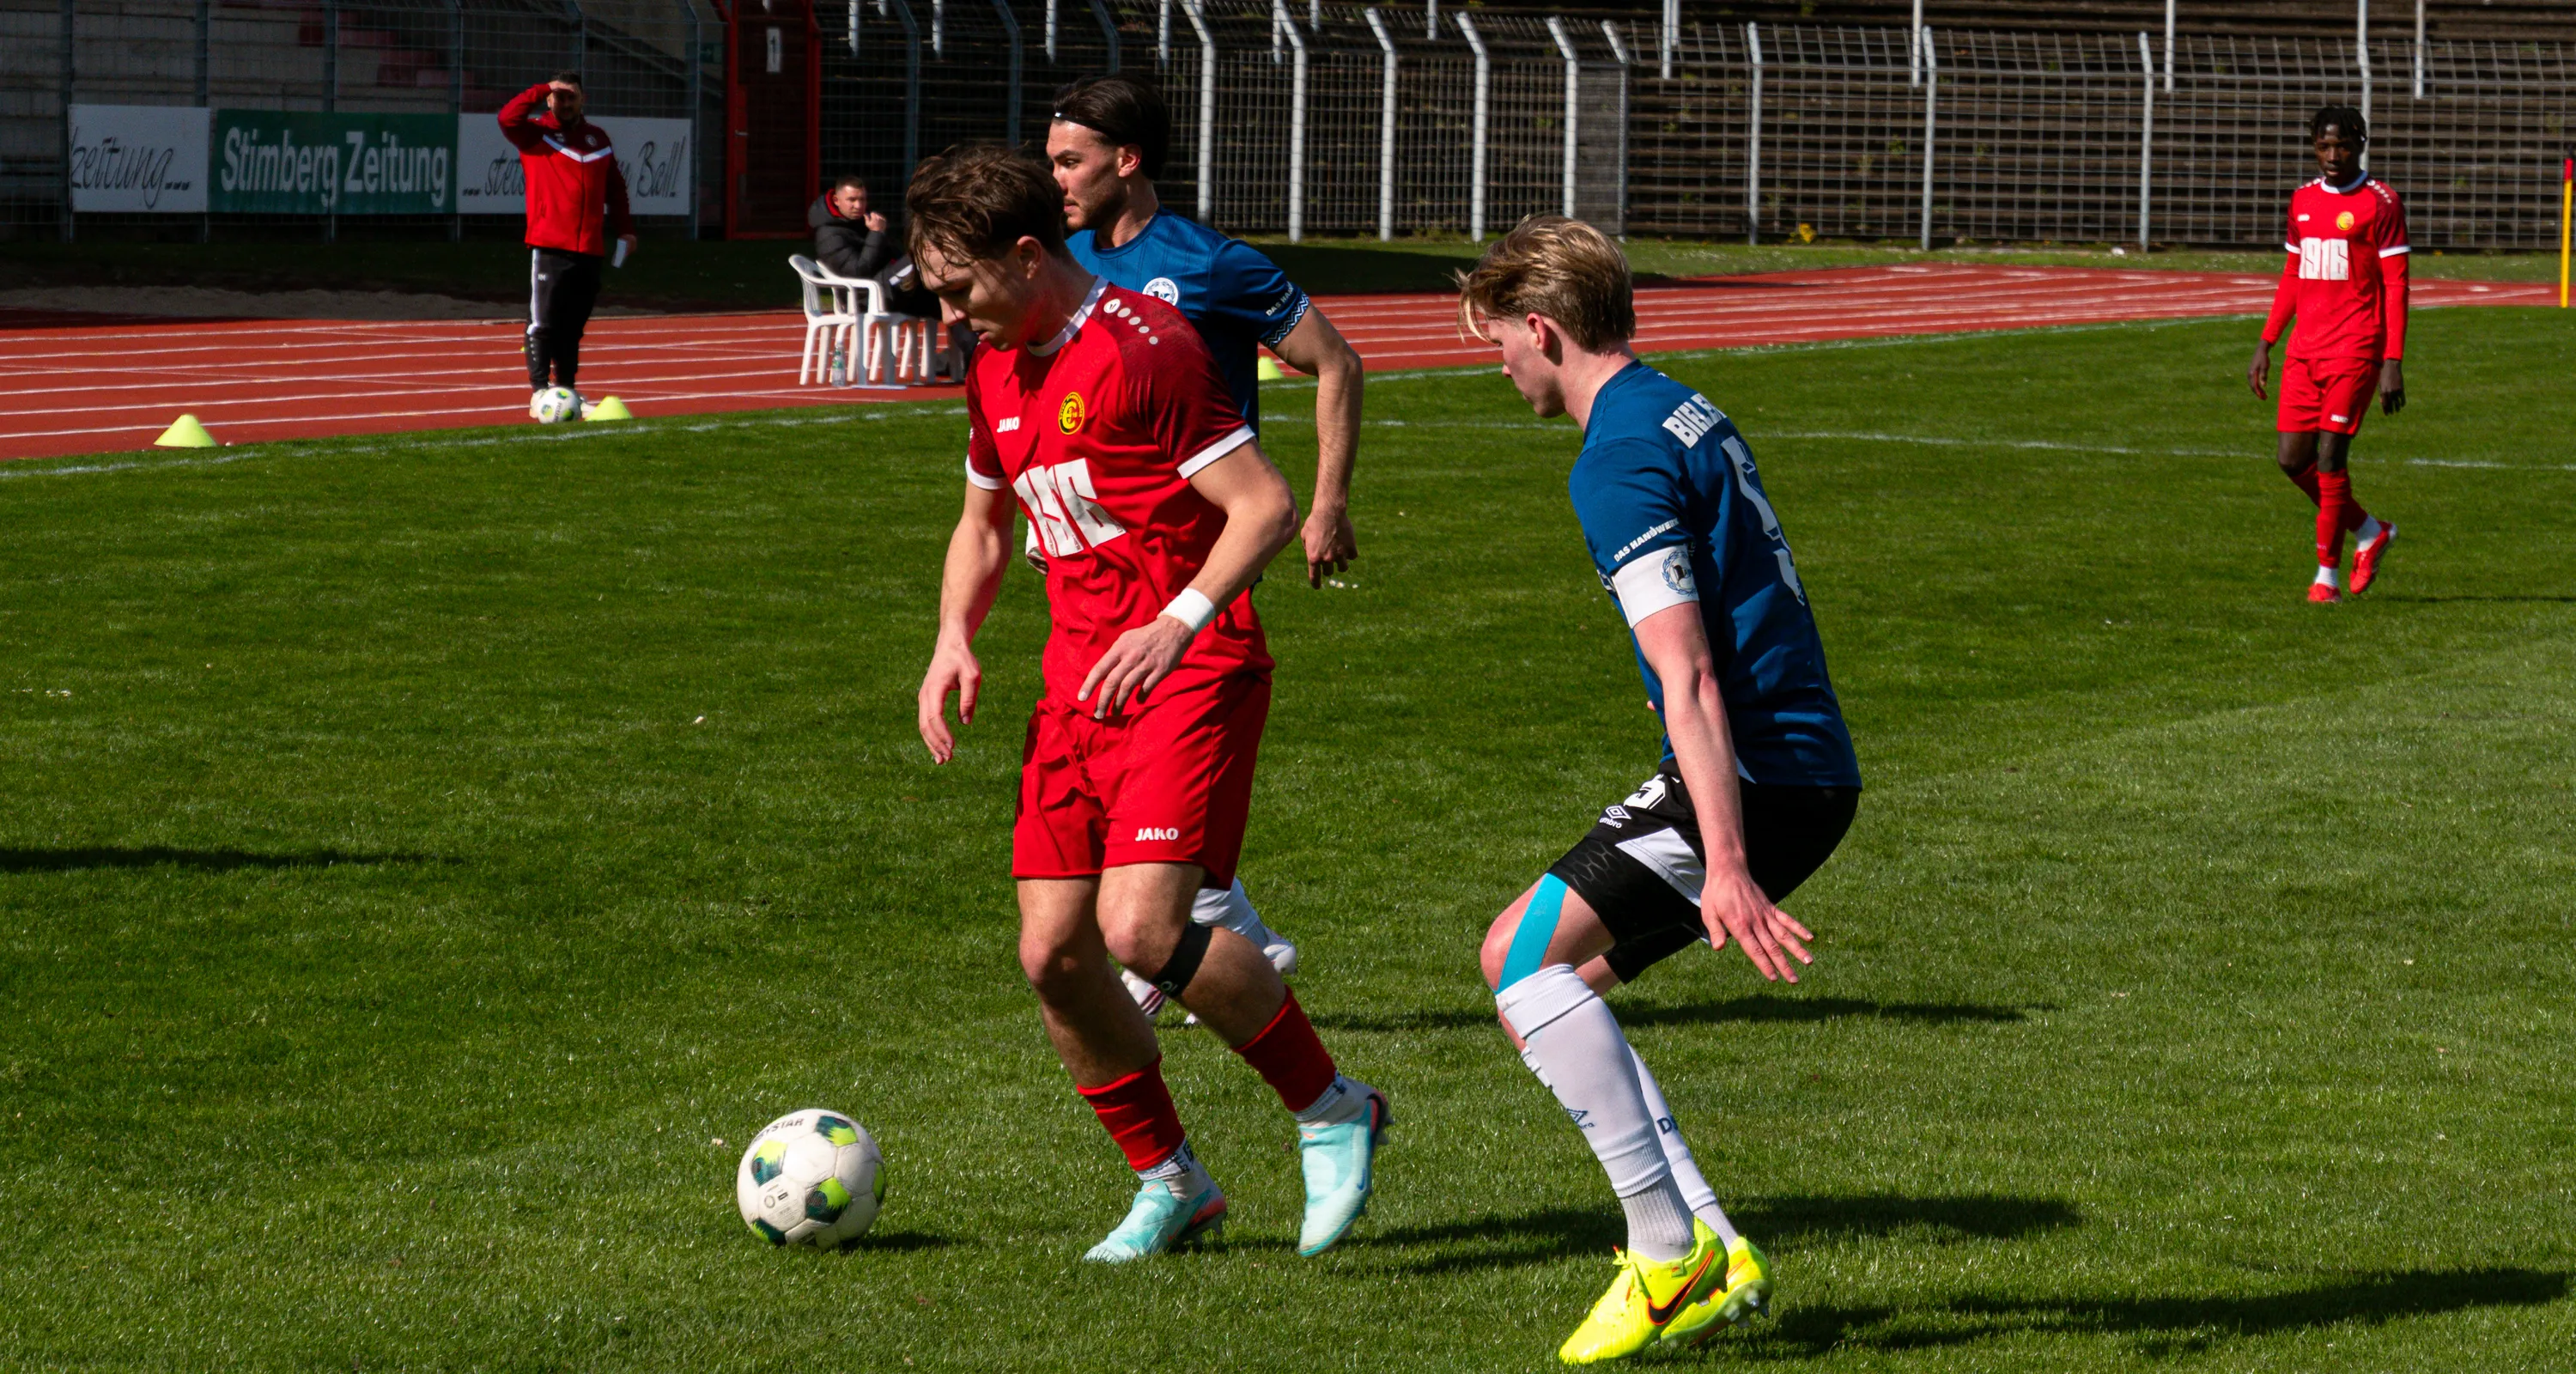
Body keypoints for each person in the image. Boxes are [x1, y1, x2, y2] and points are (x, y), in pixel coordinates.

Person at [908, 143, 1389, 1262]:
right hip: (1077, 688)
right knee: (1055, 957)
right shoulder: (994, 366)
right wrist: (951, 639)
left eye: (960, 288)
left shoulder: (1147, 349)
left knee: (1142, 928)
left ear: (1028, 256)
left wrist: (1177, 621)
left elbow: (1262, 504)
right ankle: (1172, 1182)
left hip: (1191, 669)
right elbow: (983, 523)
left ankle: (1333, 1109)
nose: (949, 316)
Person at [1458, 216, 1861, 1363]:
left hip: (1757, 772)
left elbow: (1688, 673)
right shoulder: (1680, 406)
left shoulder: (1618, 457)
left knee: (1515, 959)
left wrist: (1726, 863)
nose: (1500, 364)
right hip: (1792, 761)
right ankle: (1715, 1250)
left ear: (1544, 330)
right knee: (1554, 991)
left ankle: (1665, 1250)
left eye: (1500, 342)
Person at [1046, 74, 1368, 1013]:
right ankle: (1229, 926)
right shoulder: (1062, 264)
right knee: (1113, 741)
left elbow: (1336, 361)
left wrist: (1328, 502)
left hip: (1201, 546)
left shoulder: (1210, 263)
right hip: (1101, 555)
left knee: (1154, 730)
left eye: (1070, 161)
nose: (1054, 177)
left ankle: (1161, 948)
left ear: (1127, 160)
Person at [2248, 105, 2405, 604]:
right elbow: (2293, 275)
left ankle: (2326, 579)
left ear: (2360, 144)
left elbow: (2396, 285)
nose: (2333, 156)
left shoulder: (2381, 203)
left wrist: (2393, 360)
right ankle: (2371, 532)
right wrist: (2267, 342)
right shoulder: (2302, 200)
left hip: (2356, 348)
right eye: (2323, 146)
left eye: (2342, 146)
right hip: (2304, 350)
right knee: (2292, 459)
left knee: (2330, 456)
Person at [498, 71, 635, 420]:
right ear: (549, 100)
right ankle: (539, 390)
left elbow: (615, 187)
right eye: (559, 97)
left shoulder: (597, 138)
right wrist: (543, 88)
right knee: (543, 322)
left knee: (573, 327)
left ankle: (567, 388)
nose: (565, 102)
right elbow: (507, 118)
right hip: (549, 243)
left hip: (589, 247)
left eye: (571, 96)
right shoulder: (535, 134)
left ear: (582, 99)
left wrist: (626, 230)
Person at [810, 174, 896, 283]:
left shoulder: (859, 220)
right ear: (836, 200)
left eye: (862, 199)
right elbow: (858, 272)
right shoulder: (828, 236)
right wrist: (876, 233)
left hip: (885, 275)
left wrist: (882, 233)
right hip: (867, 288)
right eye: (852, 200)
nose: (858, 206)